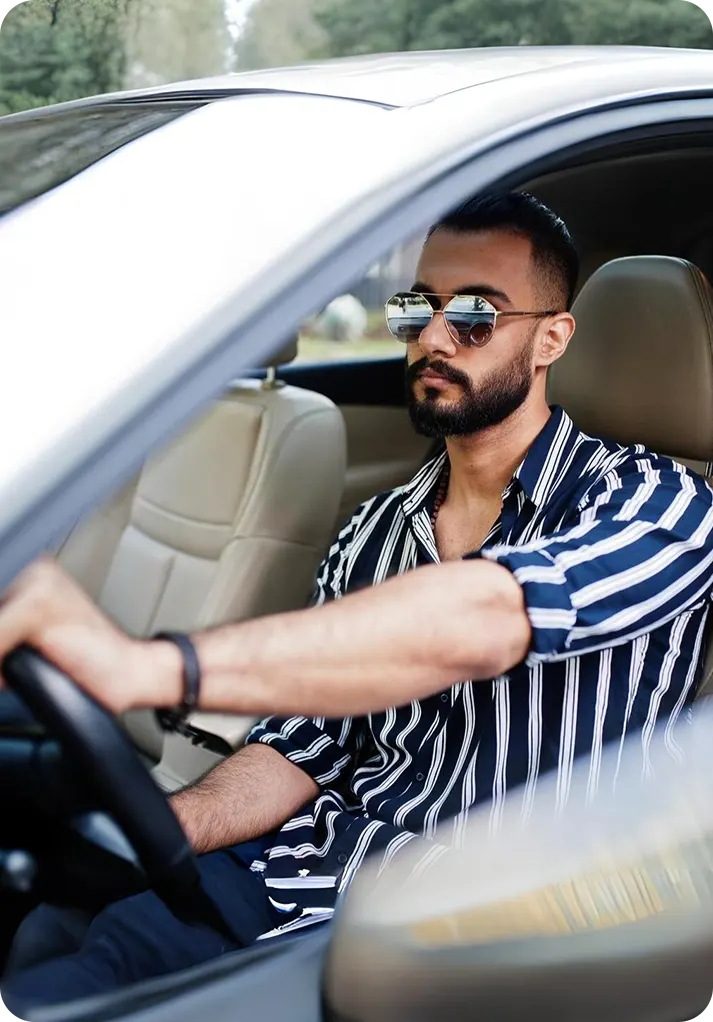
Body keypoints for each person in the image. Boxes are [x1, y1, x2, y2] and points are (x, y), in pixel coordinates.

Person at [2, 192, 713, 1004]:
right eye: (417, 307)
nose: (435, 338)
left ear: (552, 337)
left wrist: (148, 668)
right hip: (305, 876)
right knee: (56, 952)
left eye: (476, 314)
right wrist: (170, 826)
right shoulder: (373, 528)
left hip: (492, 927)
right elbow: (304, 745)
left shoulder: (657, 506)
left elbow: (487, 616)